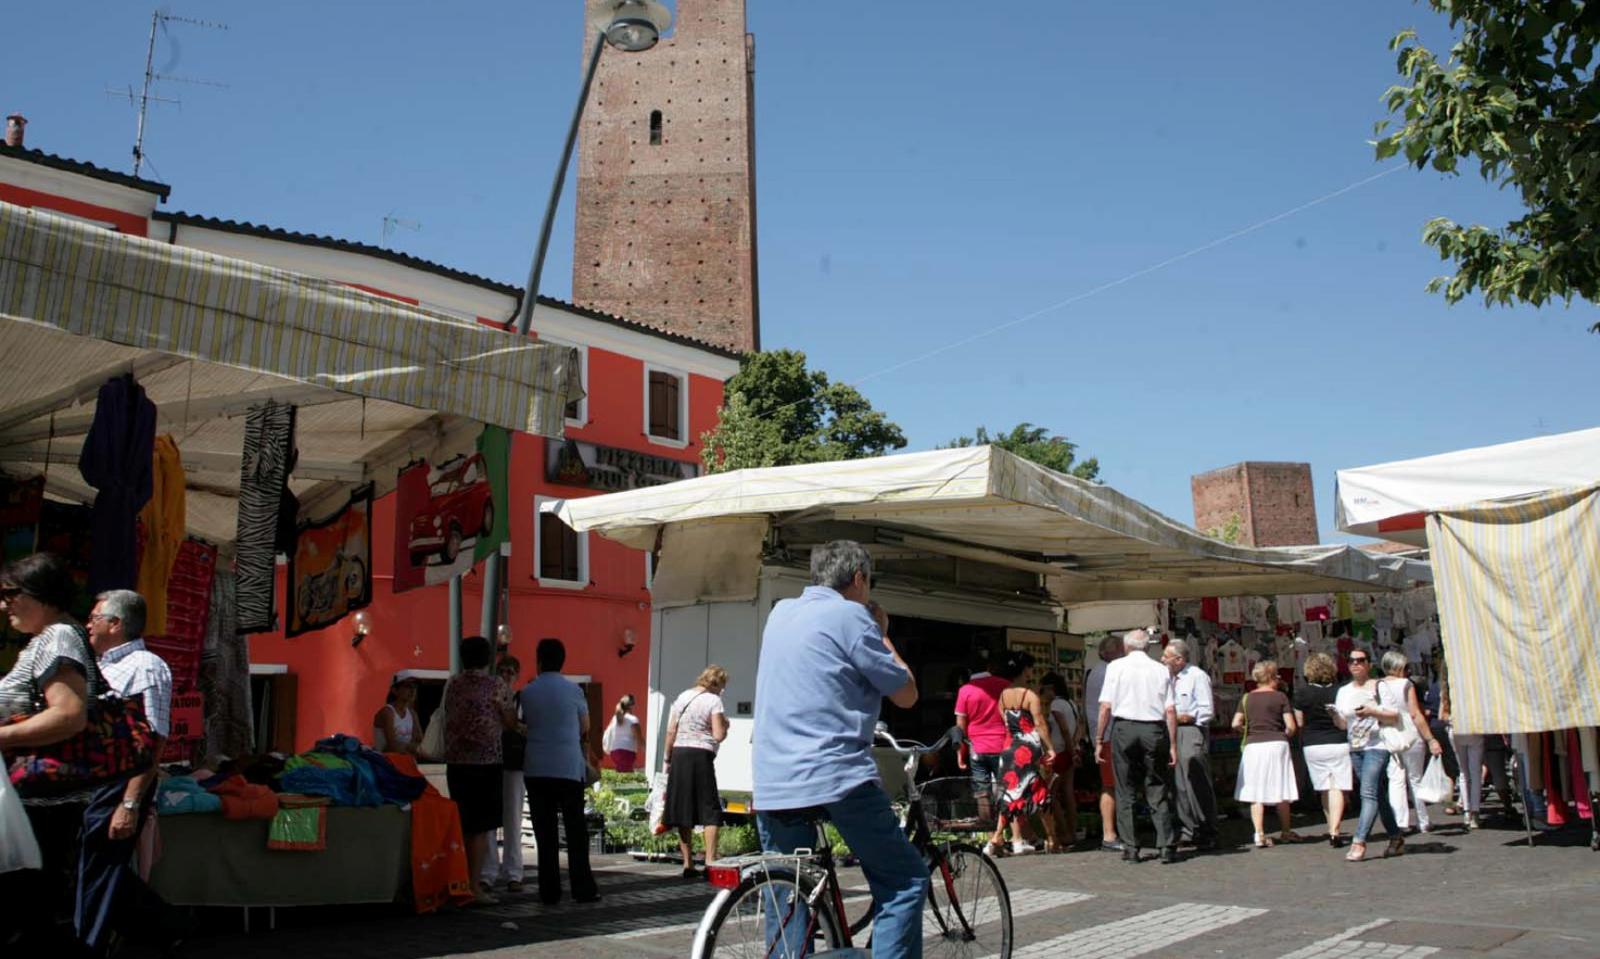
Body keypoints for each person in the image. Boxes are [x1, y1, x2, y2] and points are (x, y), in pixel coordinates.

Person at [751, 540, 924, 959]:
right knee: (905, 880)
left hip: (772, 780)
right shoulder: (852, 615)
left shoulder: (779, 612)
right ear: (860, 579)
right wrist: (883, 634)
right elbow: (906, 695)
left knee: (787, 893)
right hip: (835, 776)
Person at [0, 554, 96, 952]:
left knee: (31, 917)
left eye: (9, 593)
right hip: (39, 798)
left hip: (46, 801)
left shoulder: (58, 637)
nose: (3, 604)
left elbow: (70, 716)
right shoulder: (47, 640)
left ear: (40, 594)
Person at [78, 589, 174, 957]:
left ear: (116, 624)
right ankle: (164, 926)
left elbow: (153, 740)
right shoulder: (96, 664)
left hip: (117, 786)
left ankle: (92, 945)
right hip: (91, 784)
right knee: (91, 870)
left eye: (95, 617)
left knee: (98, 877)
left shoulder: (145, 666)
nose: (88, 624)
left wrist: (130, 803)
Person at [519, 638, 599, 905]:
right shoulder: (574, 691)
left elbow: (525, 723)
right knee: (575, 830)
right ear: (562, 661)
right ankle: (582, 888)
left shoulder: (528, 692)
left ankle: (549, 891)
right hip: (567, 767)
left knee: (545, 832)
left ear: (539, 660)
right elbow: (585, 726)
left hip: (537, 767)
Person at [444, 635, 519, 904]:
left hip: (456, 762)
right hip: (486, 762)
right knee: (480, 827)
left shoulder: (453, 684)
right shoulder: (496, 685)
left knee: (464, 823)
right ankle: (472, 886)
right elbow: (510, 721)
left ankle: (459, 881)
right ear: (487, 659)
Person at [1095, 629, 1180, 865]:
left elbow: (1105, 707)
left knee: (1125, 788)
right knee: (1157, 786)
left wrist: (1099, 739)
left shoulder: (1116, 667)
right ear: (1148, 647)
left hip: (1125, 729)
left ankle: (1131, 847)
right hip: (1154, 729)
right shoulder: (1161, 669)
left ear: (1126, 647)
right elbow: (1170, 710)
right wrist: (1173, 744)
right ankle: (1165, 845)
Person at [983, 651, 1060, 856]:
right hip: (1028, 748)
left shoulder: (1003, 695)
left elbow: (1005, 721)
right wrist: (1050, 747)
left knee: (1010, 792)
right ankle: (1051, 839)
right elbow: (1040, 723)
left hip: (1009, 747)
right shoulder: (1030, 695)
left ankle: (998, 837)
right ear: (1025, 670)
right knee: (1040, 792)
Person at [1333, 649, 1402, 862]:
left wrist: (1372, 711)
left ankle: (1359, 841)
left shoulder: (1379, 686)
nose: (1356, 664)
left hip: (1377, 744)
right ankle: (1396, 837)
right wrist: (1334, 715)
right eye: (1351, 660)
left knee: (1368, 793)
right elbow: (1343, 723)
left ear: (1368, 664)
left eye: (1360, 660)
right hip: (1355, 746)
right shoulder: (1343, 691)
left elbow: (1394, 714)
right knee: (1378, 795)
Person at [663, 665, 730, 878]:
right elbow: (718, 735)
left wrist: (667, 758)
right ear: (717, 684)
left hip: (679, 754)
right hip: (701, 755)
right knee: (709, 807)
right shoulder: (714, 701)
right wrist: (726, 725)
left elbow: (671, 730)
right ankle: (710, 860)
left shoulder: (682, 697)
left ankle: (687, 863)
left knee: (683, 807)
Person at [1232, 660, 1303, 848]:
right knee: (1281, 787)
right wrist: (1283, 734)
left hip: (1253, 746)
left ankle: (1259, 833)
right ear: (1271, 677)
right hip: (1277, 744)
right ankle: (1286, 831)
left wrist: (1246, 729)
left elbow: (1235, 723)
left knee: (1256, 790)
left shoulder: (1247, 698)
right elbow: (1291, 726)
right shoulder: (1280, 697)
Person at [1161, 638, 1218, 851]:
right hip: (1170, 730)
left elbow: (1206, 710)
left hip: (1190, 730)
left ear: (1179, 659)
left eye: (1166, 656)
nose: (1162, 659)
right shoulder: (1165, 677)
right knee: (1178, 783)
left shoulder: (1197, 676)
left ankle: (1207, 828)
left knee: (1196, 778)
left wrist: (1184, 717)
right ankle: (1187, 828)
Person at [1379, 652, 1444, 835]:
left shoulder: (1379, 685)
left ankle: (1401, 821)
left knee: (1396, 779)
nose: (1408, 671)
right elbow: (1415, 714)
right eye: (1406, 667)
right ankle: (1423, 820)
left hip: (1391, 735)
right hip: (1410, 733)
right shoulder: (1406, 684)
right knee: (1415, 779)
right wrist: (1430, 738)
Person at [1293, 651, 1351, 845]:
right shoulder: (1340, 690)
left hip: (1313, 744)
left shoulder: (1302, 693)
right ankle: (1334, 830)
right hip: (1338, 741)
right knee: (1337, 787)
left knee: (1325, 788)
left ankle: (1331, 826)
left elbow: (1299, 722)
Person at [485, 655, 526, 892]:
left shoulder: (521, 699)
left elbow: (526, 727)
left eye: (511, 671)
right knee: (489, 818)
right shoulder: (490, 698)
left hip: (513, 762)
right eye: (503, 670)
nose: (507, 675)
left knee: (513, 818)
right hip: (491, 760)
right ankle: (488, 871)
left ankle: (513, 872)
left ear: (517, 675)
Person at [1082, 632, 1126, 852]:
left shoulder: (1097, 671)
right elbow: (1109, 706)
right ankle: (1110, 834)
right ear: (1114, 652)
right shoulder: (1108, 672)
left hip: (1105, 735)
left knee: (1111, 785)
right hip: (1109, 736)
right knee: (1110, 786)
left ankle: (1113, 832)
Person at [954, 649, 1010, 795]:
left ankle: (985, 818)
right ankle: (1003, 817)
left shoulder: (965, 690)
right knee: (1005, 791)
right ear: (989, 667)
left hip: (977, 748)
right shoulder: (1005, 685)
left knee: (981, 793)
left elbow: (960, 726)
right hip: (1002, 745)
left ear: (968, 670)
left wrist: (961, 754)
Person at [1037, 672, 1079, 849]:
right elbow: (1078, 726)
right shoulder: (1072, 704)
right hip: (1069, 751)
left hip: (1060, 751)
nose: (1043, 694)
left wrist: (1069, 749)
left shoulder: (1056, 704)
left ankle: (1063, 833)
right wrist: (1075, 749)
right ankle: (1073, 830)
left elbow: (1063, 729)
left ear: (1051, 688)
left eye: (1043, 689)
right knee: (1068, 793)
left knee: (1051, 795)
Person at [373, 674, 420, 754]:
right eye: (407, 686)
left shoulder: (412, 713)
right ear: (394, 690)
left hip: (406, 761)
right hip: (386, 762)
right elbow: (392, 746)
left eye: (415, 687)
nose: (412, 690)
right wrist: (413, 748)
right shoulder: (387, 712)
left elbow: (419, 740)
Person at [603, 694, 641, 773]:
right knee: (626, 778)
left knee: (621, 775)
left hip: (614, 752)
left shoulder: (615, 718)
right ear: (631, 706)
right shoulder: (633, 719)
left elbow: (608, 731)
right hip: (627, 752)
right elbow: (639, 738)